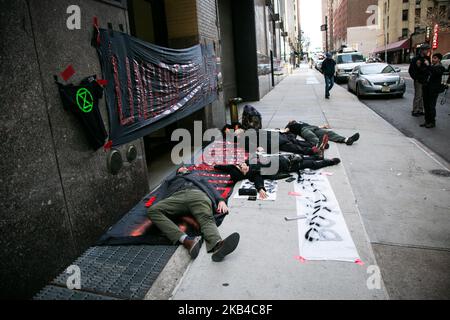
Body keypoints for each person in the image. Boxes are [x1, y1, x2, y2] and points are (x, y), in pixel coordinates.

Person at [147, 166, 240, 262]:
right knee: (153, 211)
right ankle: (186, 241)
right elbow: (161, 193)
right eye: (181, 168)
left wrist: (220, 200)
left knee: (206, 218)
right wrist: (157, 204)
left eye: (185, 167)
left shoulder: (197, 176)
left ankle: (218, 245)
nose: (183, 168)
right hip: (176, 198)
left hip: (198, 195)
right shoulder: (170, 180)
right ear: (177, 172)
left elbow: (210, 188)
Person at [215, 154, 341, 198]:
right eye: (240, 166)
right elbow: (258, 180)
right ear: (243, 172)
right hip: (289, 165)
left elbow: (229, 167)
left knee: (305, 158)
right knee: (310, 164)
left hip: (283, 158)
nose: (241, 163)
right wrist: (260, 188)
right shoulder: (253, 173)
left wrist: (216, 166)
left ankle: (318, 156)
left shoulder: (247, 164)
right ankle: (331, 161)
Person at [285, 120, 360, 147]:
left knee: (328, 133)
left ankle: (347, 140)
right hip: (303, 130)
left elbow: (313, 126)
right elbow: (285, 130)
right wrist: (287, 127)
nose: (291, 120)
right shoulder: (291, 126)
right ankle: (321, 145)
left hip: (313, 128)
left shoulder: (301, 122)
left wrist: (323, 126)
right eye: (290, 121)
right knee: (311, 136)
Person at [420, 53, 446, 128]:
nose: (433, 59)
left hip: (433, 89)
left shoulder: (440, 67)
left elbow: (436, 73)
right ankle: (427, 121)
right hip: (426, 88)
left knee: (431, 105)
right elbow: (424, 72)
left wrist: (428, 66)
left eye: (435, 58)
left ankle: (432, 122)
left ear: (439, 59)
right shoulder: (431, 66)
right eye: (433, 58)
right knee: (426, 105)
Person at [409, 44, 431, 117]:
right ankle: (415, 110)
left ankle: (421, 110)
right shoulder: (415, 59)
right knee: (418, 95)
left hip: (425, 80)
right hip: (418, 80)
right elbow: (411, 70)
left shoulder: (427, 58)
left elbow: (429, 69)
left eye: (428, 50)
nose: (428, 51)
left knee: (422, 96)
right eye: (426, 50)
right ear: (422, 50)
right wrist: (416, 78)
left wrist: (427, 68)